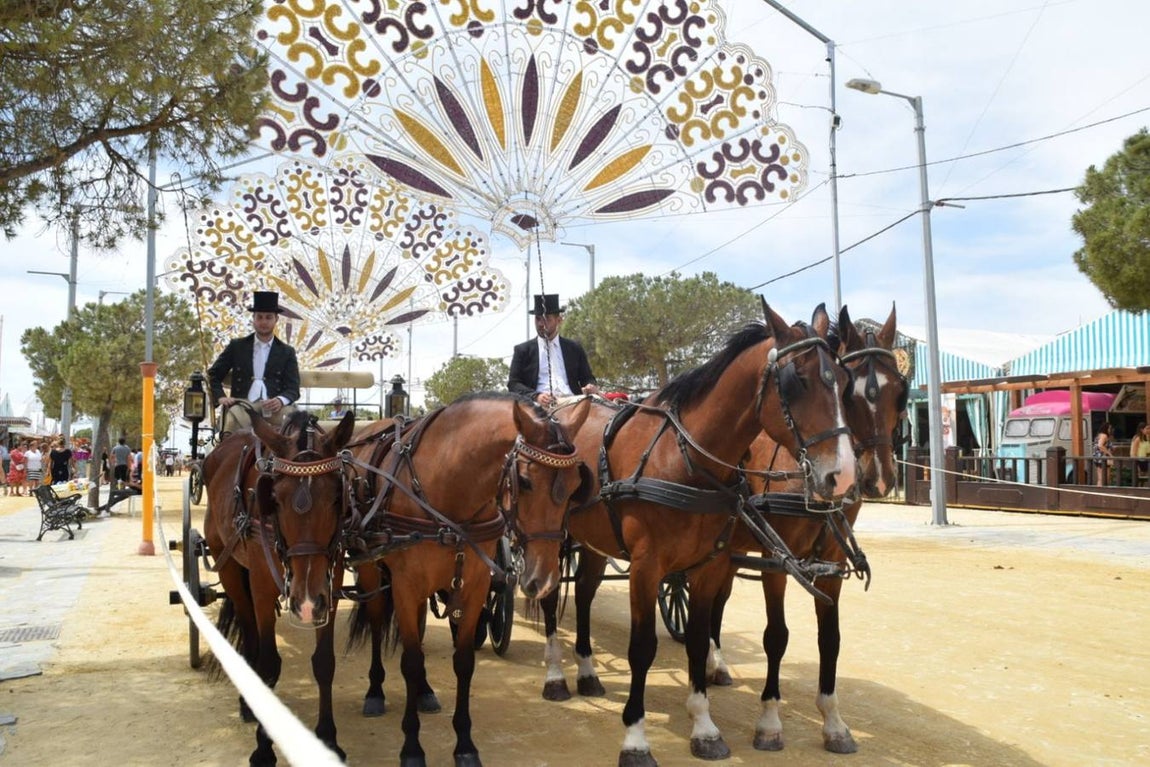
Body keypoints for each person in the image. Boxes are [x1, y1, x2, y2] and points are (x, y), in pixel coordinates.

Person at [208, 290, 301, 434]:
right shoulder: (237, 346)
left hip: (275, 408)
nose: (264, 322)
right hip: (243, 404)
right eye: (260, 317)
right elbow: (213, 374)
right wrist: (220, 397)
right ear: (253, 318)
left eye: (268, 317)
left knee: (295, 425)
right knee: (231, 421)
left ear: (276, 319)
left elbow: (293, 388)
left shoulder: (286, 351)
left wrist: (281, 400)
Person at [508, 293, 599, 408]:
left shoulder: (574, 348)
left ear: (559, 320)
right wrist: (536, 396)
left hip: (574, 402)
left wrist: (590, 386)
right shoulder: (523, 350)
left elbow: (587, 377)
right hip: (539, 406)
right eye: (538, 319)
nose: (541, 324)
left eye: (547, 319)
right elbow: (514, 384)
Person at [1093, 422, 1114, 487]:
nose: (1110, 430)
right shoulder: (1104, 436)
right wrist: (1109, 454)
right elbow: (1100, 445)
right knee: (1105, 477)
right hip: (1103, 458)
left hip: (1097, 457)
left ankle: (1099, 490)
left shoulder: (1099, 435)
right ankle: (1103, 490)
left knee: (1100, 477)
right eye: (1109, 428)